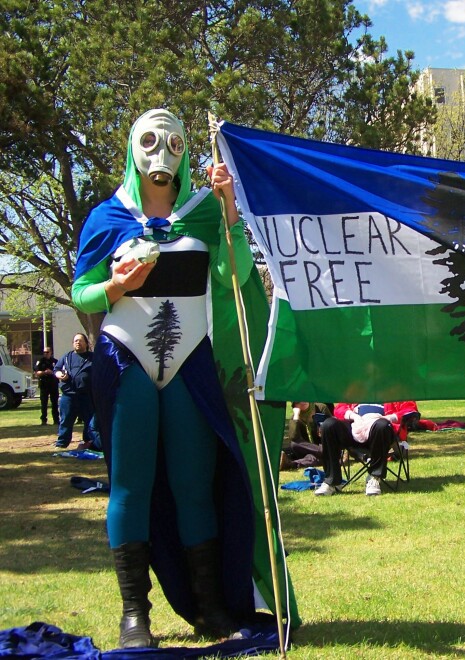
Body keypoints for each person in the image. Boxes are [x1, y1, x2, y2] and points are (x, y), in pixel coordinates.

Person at [71, 109, 297, 648]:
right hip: (124, 360)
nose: (161, 152)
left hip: (190, 364)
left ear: (186, 151)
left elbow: (235, 275)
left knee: (195, 486)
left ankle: (211, 606)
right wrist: (114, 287)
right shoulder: (107, 218)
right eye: (149, 141)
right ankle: (135, 616)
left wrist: (231, 213)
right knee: (131, 484)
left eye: (173, 141)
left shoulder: (204, 212)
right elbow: (81, 291)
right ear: (132, 148)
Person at [315, 401, 419, 496]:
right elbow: (339, 409)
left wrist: (389, 417)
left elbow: (411, 410)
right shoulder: (358, 389)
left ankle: (374, 477)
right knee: (328, 425)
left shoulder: (395, 390)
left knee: (382, 425)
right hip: (355, 427)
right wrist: (354, 416)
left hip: (381, 431)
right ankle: (331, 481)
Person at [54, 334, 99, 449]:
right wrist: (60, 375)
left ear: (86, 343)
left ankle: (89, 442)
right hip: (68, 395)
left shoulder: (93, 357)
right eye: (75, 341)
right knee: (66, 420)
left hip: (86, 395)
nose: (77, 343)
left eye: (80, 341)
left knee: (89, 420)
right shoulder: (67, 357)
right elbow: (57, 370)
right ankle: (62, 443)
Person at [33, 346, 59, 426]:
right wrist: (44, 372)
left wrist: (52, 372)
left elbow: (59, 371)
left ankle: (56, 420)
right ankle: (43, 420)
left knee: (54, 403)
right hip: (44, 385)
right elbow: (36, 372)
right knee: (44, 403)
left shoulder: (55, 361)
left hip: (53, 385)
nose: (45, 354)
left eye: (47, 352)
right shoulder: (40, 361)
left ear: (51, 352)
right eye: (44, 352)